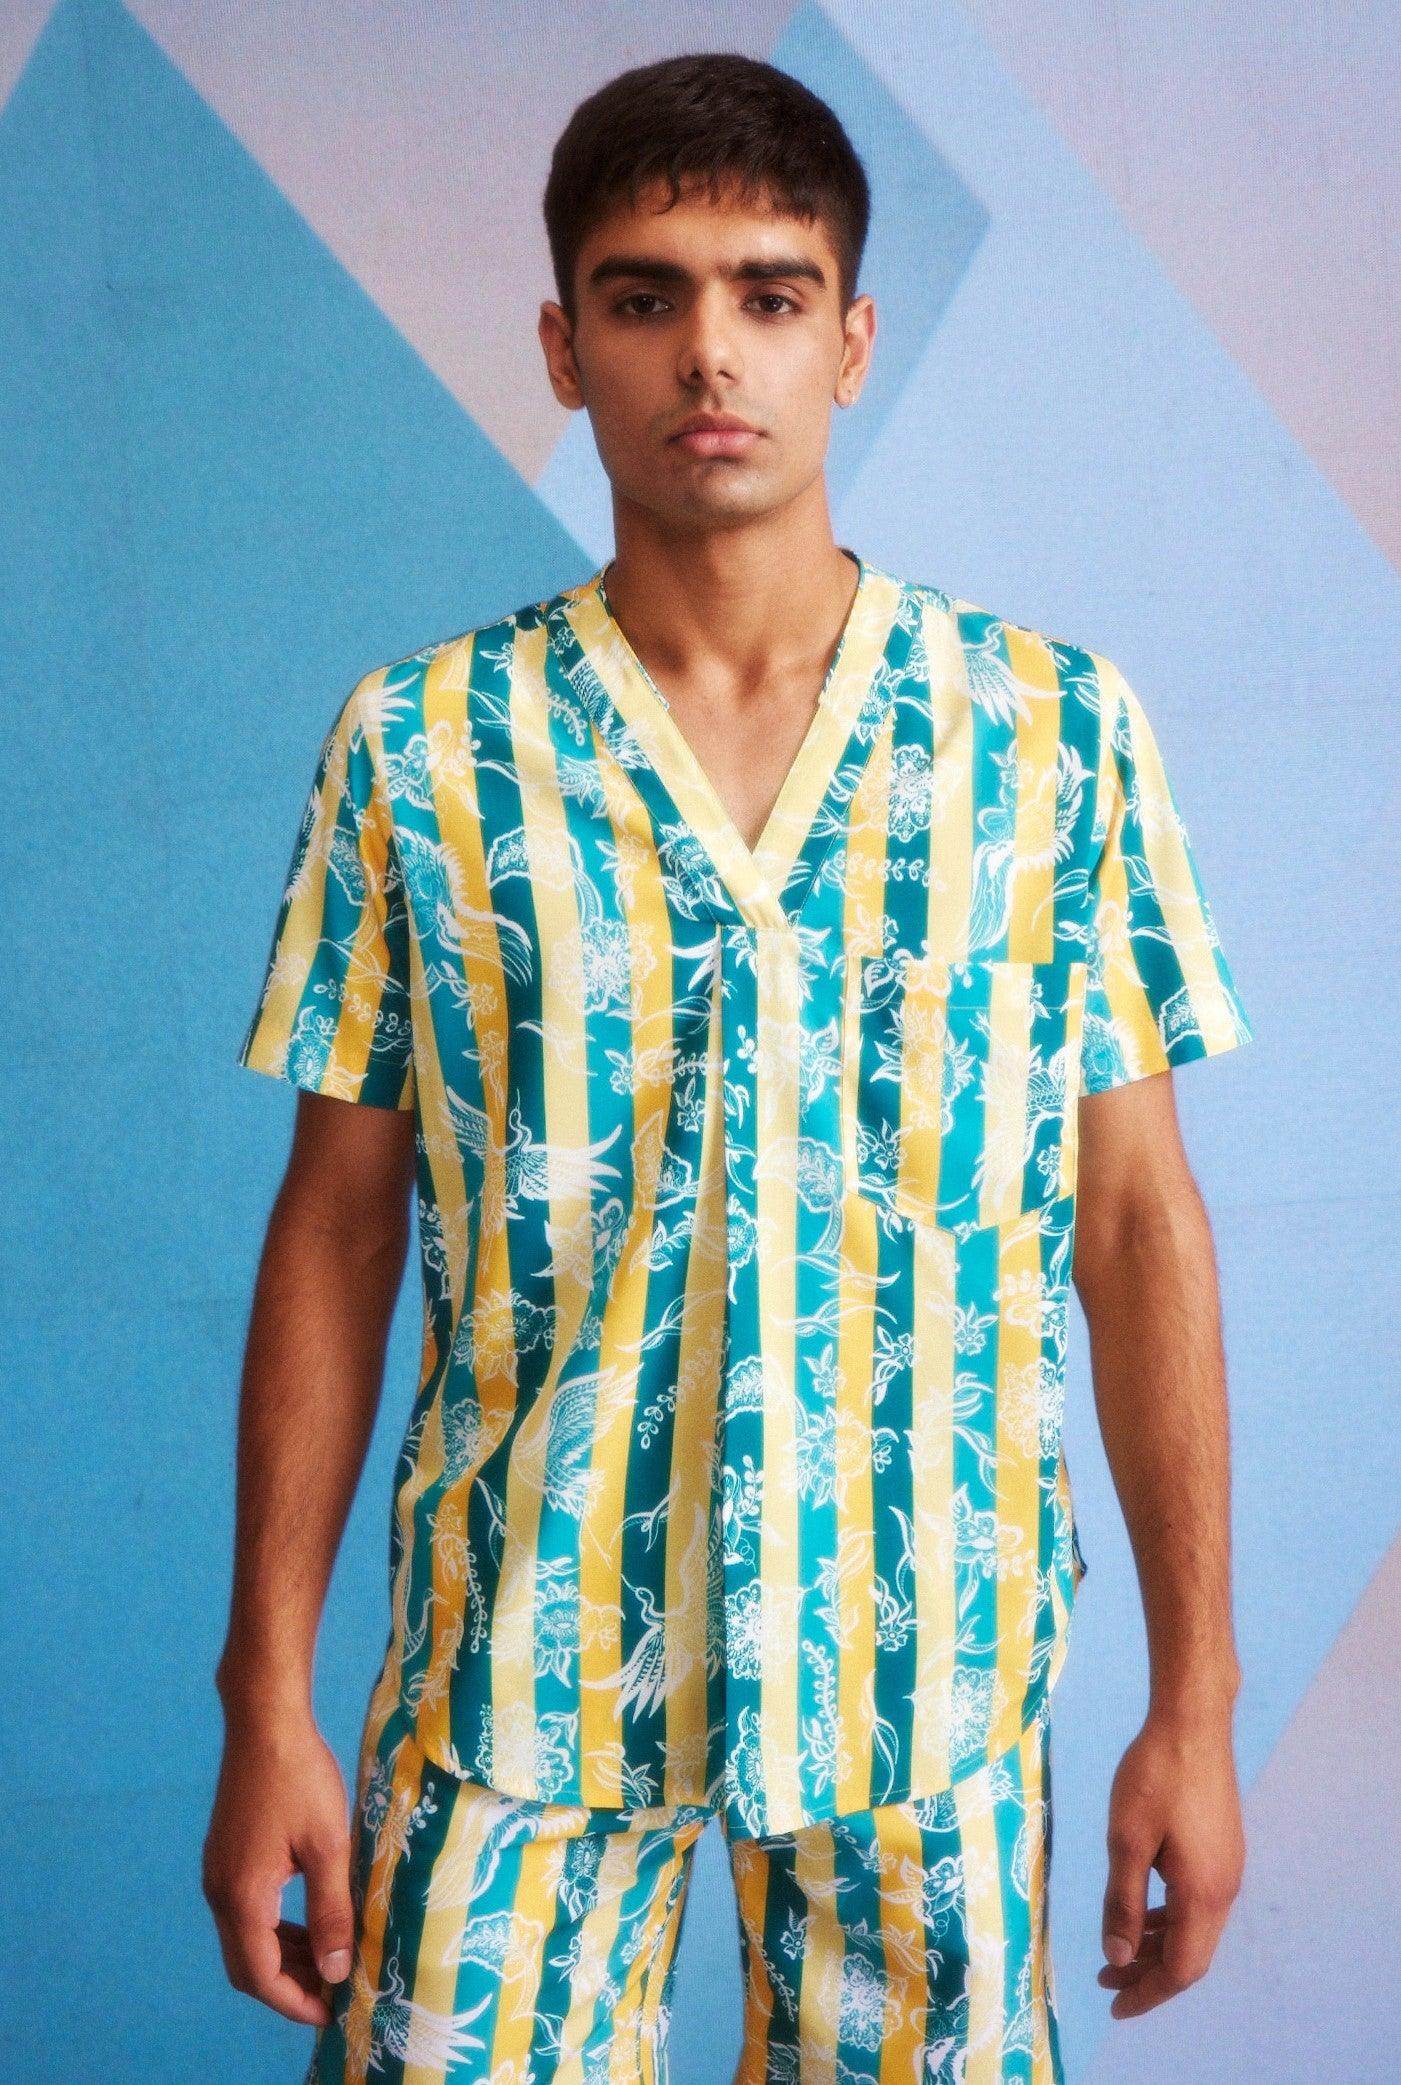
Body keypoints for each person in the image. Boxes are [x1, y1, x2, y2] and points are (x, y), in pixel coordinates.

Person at [203, 49, 1254, 2085]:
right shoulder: (425, 747)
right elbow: (332, 1230)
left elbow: (1135, 1221)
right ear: (561, 345)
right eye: (643, 294)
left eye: (769, 294)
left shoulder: (1044, 733)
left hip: (926, 1691)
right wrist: (265, 1701)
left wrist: (1191, 1703)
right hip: (518, 1664)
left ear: (848, 340)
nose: (709, 351)